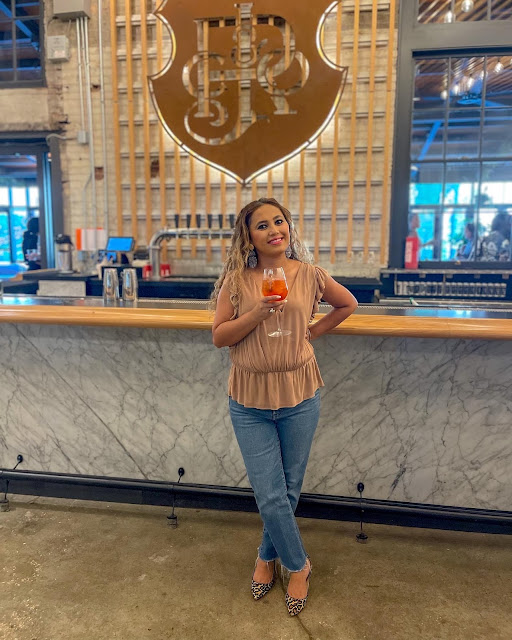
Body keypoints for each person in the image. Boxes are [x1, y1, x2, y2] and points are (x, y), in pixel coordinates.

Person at [211, 197, 358, 616]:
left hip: (300, 393)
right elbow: (220, 337)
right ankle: (298, 564)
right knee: (270, 493)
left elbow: (348, 304)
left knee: (288, 490)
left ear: (289, 228)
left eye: (280, 221)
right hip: (249, 398)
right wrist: (258, 313)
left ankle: (265, 556)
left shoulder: (310, 274)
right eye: (263, 225)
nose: (274, 230)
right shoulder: (236, 281)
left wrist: (314, 332)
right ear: (248, 237)